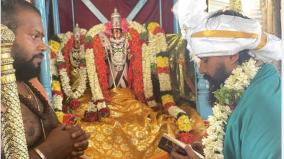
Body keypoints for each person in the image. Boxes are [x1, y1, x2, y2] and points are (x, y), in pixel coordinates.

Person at [170, 0, 282, 158]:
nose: (201, 68)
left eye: (206, 60)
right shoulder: (243, 89)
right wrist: (207, 152)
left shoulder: (263, 103)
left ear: (233, 55)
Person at [1, 0, 90, 158]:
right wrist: (48, 151)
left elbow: (51, 133)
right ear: (4, 36)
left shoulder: (27, 84)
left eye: (42, 38)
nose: (43, 46)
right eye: (35, 36)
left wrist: (71, 140)